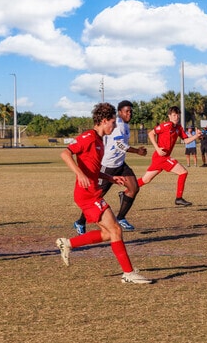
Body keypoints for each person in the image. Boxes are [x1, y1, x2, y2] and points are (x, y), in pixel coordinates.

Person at [55, 102, 152, 284]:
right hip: (87, 194)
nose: (114, 126)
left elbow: (93, 169)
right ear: (104, 121)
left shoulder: (100, 141)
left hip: (93, 192)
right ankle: (128, 274)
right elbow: (65, 153)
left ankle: (67, 243)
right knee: (115, 229)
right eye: (113, 123)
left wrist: (110, 178)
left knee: (109, 234)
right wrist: (79, 174)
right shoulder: (89, 137)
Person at [73, 100, 147, 234]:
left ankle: (121, 217)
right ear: (120, 112)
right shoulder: (116, 124)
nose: (129, 114)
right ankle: (80, 222)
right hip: (108, 165)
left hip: (120, 163)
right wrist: (137, 151)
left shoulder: (125, 125)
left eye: (131, 111)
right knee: (96, 197)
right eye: (126, 111)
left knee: (134, 188)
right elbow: (119, 145)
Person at [137, 106, 201, 207]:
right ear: (169, 116)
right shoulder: (166, 125)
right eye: (174, 115)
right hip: (161, 157)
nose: (176, 117)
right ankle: (178, 198)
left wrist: (196, 136)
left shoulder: (179, 128)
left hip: (160, 158)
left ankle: (126, 192)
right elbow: (151, 134)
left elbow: (186, 140)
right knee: (183, 172)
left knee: (146, 180)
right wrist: (157, 148)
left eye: (177, 115)